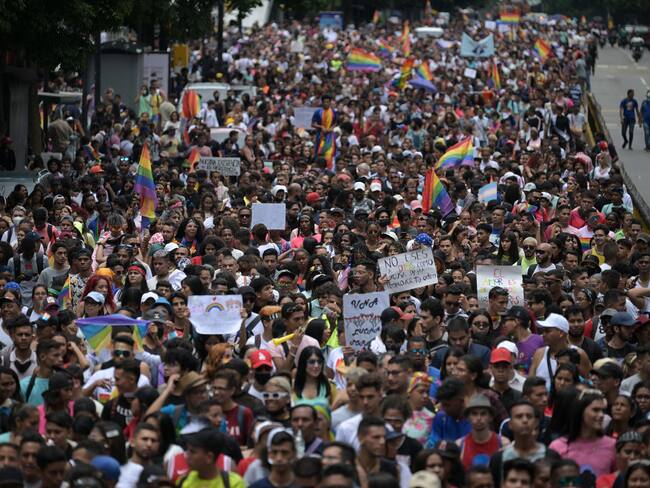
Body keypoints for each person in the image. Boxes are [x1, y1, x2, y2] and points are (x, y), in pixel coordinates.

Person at [549, 389, 616, 476]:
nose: (601, 415)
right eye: (595, 410)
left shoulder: (612, 445)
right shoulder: (557, 447)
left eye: (603, 411)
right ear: (580, 411)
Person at [180, 427, 245, 488]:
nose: (187, 456)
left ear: (209, 457)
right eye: (187, 450)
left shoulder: (234, 484)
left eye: (193, 452)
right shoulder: (184, 481)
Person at [117, 423, 160, 488]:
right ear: (132, 442)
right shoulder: (120, 470)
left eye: (153, 440)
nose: (149, 444)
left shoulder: (161, 474)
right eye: (145, 439)